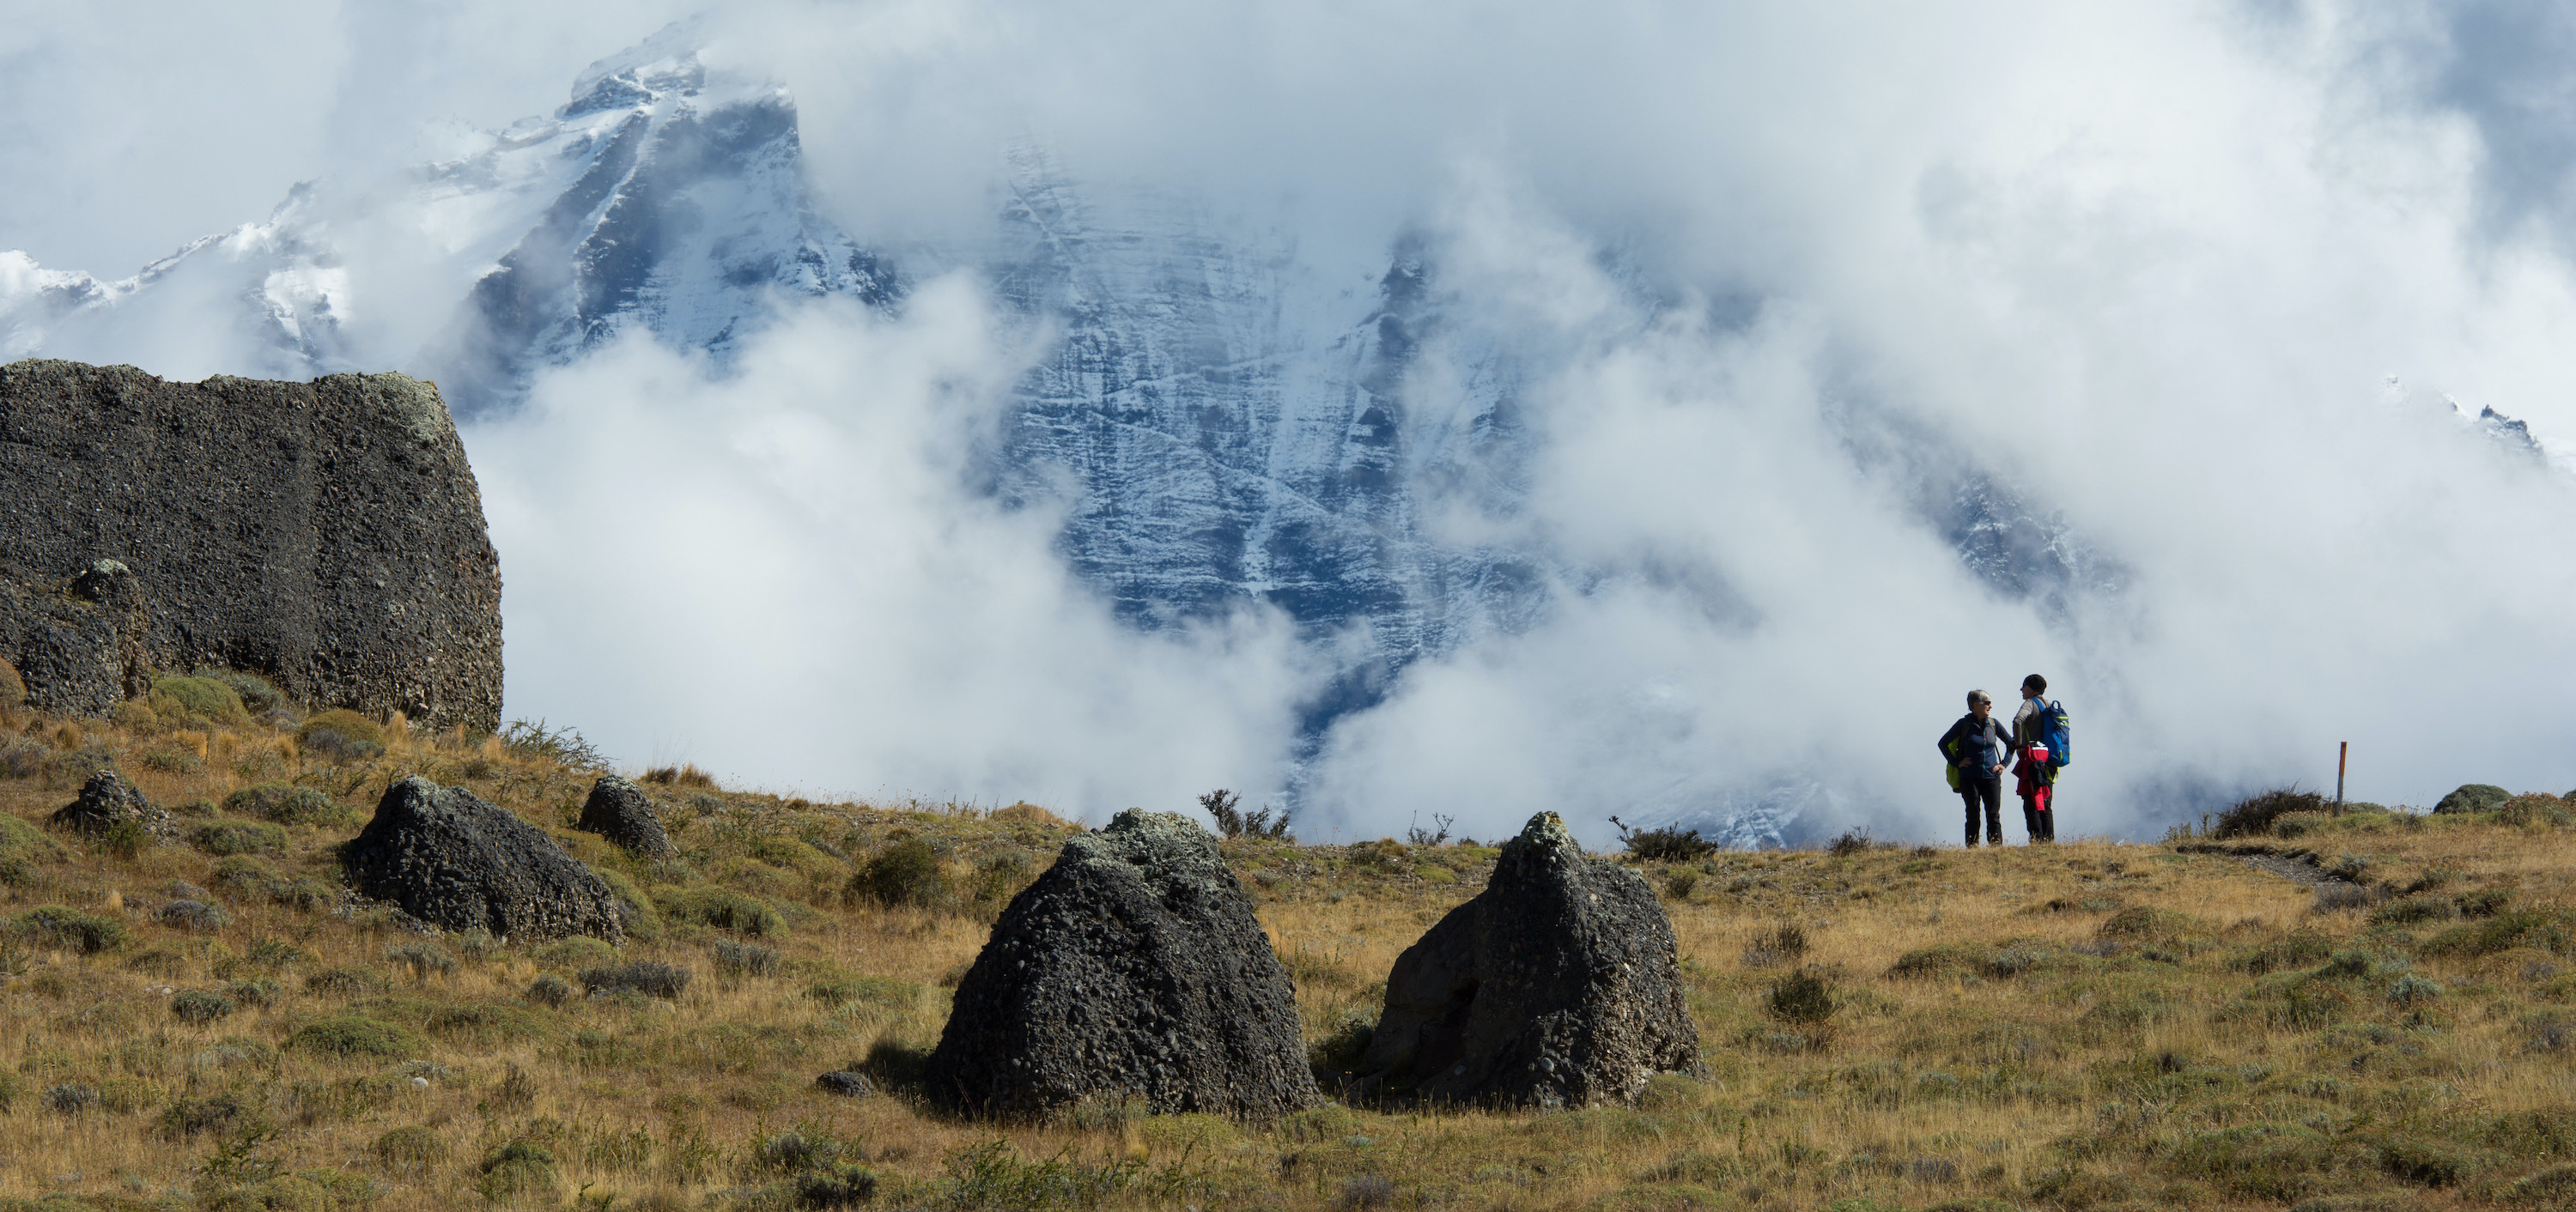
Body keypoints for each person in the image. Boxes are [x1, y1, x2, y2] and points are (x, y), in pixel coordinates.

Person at [1937, 690, 2012, 847]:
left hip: (1991, 777)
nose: (1990, 706)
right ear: (1975, 705)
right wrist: (1956, 762)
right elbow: (1942, 743)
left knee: (1993, 815)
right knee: (1972, 813)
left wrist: (2003, 764)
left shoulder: (1994, 724)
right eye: (1987, 703)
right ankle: (1972, 847)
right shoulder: (1963, 724)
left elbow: (2011, 744)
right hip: (1969, 778)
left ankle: (1996, 848)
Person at [2012, 674, 2057, 842]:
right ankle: (2049, 839)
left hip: (2033, 757)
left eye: (2023, 686)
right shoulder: (2049, 706)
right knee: (2046, 798)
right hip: (2050, 759)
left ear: (2031, 688)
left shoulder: (2030, 704)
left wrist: (2018, 744)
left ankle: (2037, 839)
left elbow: (2018, 720)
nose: (2021, 689)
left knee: (2031, 799)